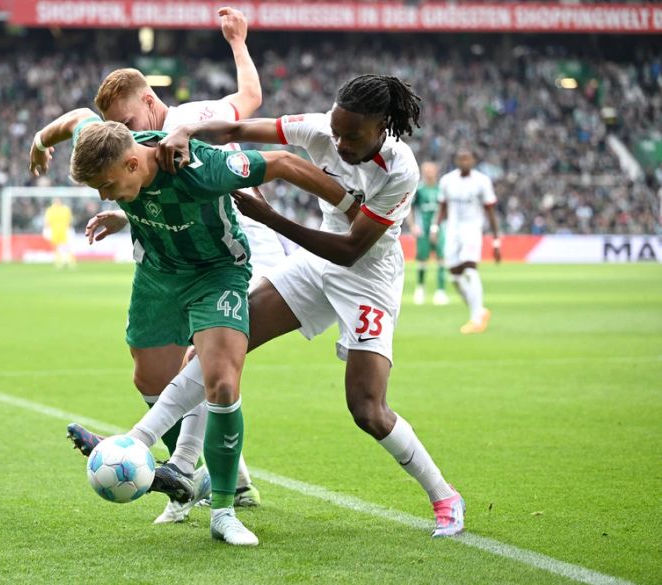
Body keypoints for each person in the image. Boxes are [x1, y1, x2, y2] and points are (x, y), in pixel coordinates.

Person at [69, 74, 467, 539]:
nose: (338, 143)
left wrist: (273, 219)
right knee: (212, 351)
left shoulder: (401, 168)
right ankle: (159, 455)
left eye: (351, 136)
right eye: (335, 131)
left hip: (368, 277)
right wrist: (185, 130)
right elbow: (236, 129)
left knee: (367, 408)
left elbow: (350, 249)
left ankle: (444, 497)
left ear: (382, 126)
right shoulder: (319, 129)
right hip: (313, 266)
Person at [29, 107, 353, 546]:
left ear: (131, 163)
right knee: (149, 378)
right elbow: (78, 118)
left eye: (107, 186)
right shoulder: (106, 141)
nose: (105, 196)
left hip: (215, 273)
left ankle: (222, 506)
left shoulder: (197, 165)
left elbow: (283, 162)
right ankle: (182, 471)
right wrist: (40, 142)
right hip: (158, 275)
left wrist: (351, 206)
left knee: (220, 382)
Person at [83, 7, 281, 520]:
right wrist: (121, 215)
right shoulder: (135, 151)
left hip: (242, 244)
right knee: (152, 376)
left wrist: (238, 42)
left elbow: (251, 100)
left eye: (126, 123)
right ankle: (228, 476)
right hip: (177, 256)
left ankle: (185, 469)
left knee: (204, 357)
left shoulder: (189, 119)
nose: (121, 133)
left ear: (149, 101)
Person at [432, 149, 501, 334]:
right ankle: (479, 311)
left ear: (473, 160)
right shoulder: (447, 181)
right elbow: (442, 206)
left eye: (467, 158)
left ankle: (476, 318)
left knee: (470, 270)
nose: (464, 161)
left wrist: (496, 241)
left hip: (472, 230)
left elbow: (490, 211)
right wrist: (435, 228)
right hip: (452, 230)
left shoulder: (482, 181)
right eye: (461, 158)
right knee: (454, 277)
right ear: (456, 161)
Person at [407, 162, 447, 305]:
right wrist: (412, 226)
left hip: (440, 229)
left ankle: (441, 291)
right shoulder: (419, 189)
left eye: (431, 170)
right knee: (422, 259)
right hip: (423, 229)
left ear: (436, 171)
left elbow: (445, 209)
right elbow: (409, 208)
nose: (429, 173)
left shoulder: (441, 189)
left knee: (441, 258)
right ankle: (420, 289)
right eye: (426, 170)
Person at [42, 198, 76, 269]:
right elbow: (47, 221)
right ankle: (58, 262)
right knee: (56, 247)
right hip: (54, 231)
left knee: (67, 247)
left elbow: (69, 220)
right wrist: (46, 229)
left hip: (64, 230)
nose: (57, 202)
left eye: (58, 201)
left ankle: (70, 262)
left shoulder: (65, 209)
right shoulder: (50, 210)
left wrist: (69, 229)